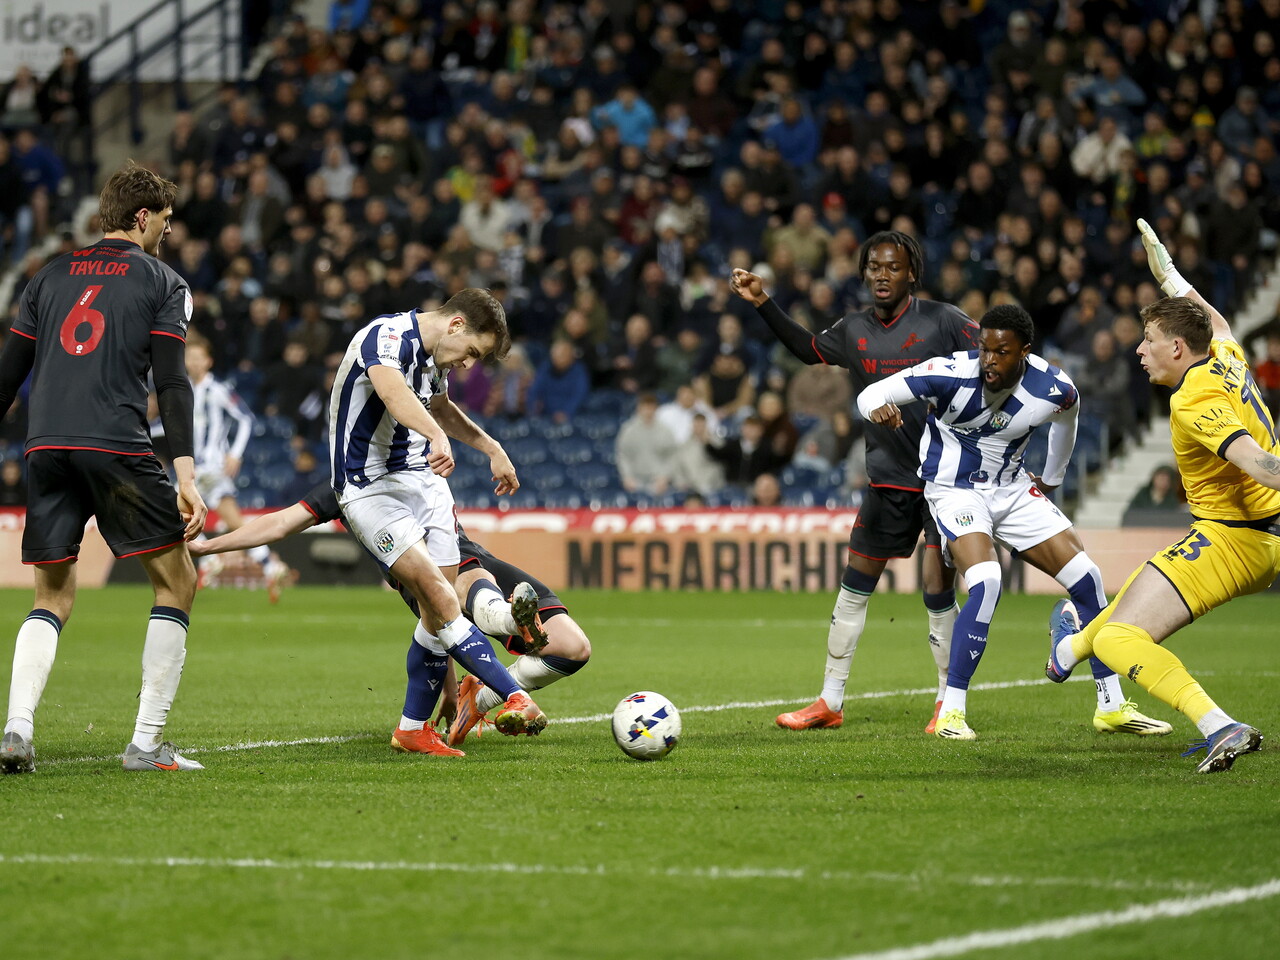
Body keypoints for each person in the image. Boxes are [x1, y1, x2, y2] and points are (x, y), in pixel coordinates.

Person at [857, 303, 1171, 741]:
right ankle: (951, 711)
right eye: (984, 349)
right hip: (954, 490)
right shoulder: (948, 372)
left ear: (1025, 351)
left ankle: (1111, 704)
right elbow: (870, 394)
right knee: (986, 581)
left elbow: (1069, 419)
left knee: (1088, 577)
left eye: (1001, 352)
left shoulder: (1053, 386)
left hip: (1012, 488)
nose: (989, 360)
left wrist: (1054, 478)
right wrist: (878, 409)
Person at [1046, 220, 1280, 773]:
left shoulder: (1193, 400)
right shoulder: (1223, 356)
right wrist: (1171, 276)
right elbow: (1216, 322)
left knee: (1121, 639)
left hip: (1236, 540)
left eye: (1148, 340)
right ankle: (1067, 651)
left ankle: (1219, 725)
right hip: (1250, 535)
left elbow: (1261, 465)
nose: (1139, 349)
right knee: (1138, 588)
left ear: (1177, 348)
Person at [0, 162, 208, 774]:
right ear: (142, 217)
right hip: (114, 442)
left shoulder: (46, 275)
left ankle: (16, 732)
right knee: (177, 583)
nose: (166, 235)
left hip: (46, 447)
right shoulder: (164, 283)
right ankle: (145, 745)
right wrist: (186, 474)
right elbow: (172, 382)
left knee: (52, 594)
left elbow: (8, 378)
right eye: (164, 224)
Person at [731, 231, 977, 734]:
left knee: (937, 587)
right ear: (864, 272)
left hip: (945, 480)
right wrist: (762, 303)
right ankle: (830, 700)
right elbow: (808, 350)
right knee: (854, 586)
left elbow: (995, 362)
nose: (882, 275)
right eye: (874, 267)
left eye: (893, 267)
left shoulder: (944, 320)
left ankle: (945, 703)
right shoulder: (855, 329)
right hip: (887, 478)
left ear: (912, 273)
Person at [187, 479, 592, 747]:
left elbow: (442, 403)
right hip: (427, 577)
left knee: (573, 648)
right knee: (458, 590)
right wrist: (208, 546)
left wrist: (489, 448)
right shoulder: (344, 483)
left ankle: (483, 695)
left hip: (468, 557)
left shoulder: (417, 448)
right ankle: (509, 622)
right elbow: (280, 523)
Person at [329, 288, 548, 757]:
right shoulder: (385, 337)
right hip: (368, 486)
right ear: (455, 325)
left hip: (420, 481)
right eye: (471, 352)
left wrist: (491, 448)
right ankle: (514, 693)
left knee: (436, 613)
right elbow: (392, 392)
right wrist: (433, 435)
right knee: (439, 594)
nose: (468, 364)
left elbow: (441, 407)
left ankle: (412, 728)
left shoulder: (435, 361)